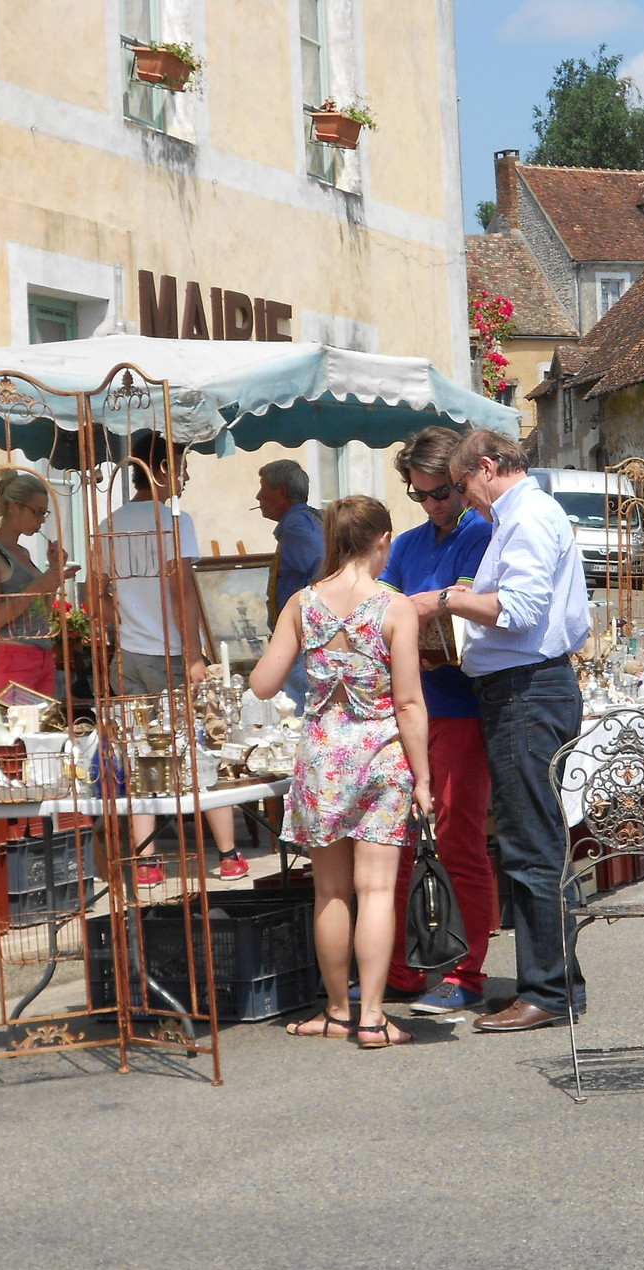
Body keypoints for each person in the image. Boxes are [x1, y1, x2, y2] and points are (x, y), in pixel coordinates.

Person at [416, 429, 589, 1034]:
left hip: (527, 691)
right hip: (523, 690)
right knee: (530, 837)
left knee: (528, 843)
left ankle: (545, 990)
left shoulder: (526, 517)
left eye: (461, 485)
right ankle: (553, 982)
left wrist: (444, 601)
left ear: (487, 468)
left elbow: (518, 611)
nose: (462, 499)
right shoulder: (521, 517)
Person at [252, 496, 432, 1049]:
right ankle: (374, 1017)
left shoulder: (303, 604)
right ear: (383, 540)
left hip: (323, 759)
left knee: (329, 891)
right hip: (381, 756)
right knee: (376, 889)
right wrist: (424, 779)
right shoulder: (394, 607)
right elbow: (407, 703)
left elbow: (262, 683)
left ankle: (335, 1011)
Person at [378, 426, 498, 1015]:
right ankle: (404, 970)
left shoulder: (484, 531)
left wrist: (424, 605)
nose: (433, 505)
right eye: (420, 494)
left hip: (461, 707)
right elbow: (384, 610)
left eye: (442, 493)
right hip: (413, 707)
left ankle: (469, 972)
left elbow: (472, 604)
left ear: (462, 481)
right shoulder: (407, 544)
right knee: (397, 842)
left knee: (456, 840)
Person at [96, 434, 245, 886]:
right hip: (172, 652)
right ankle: (228, 853)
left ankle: (146, 862)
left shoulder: (108, 524)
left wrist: (125, 624)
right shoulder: (176, 521)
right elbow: (183, 590)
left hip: (127, 655)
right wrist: (196, 652)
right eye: (180, 468)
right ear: (158, 468)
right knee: (202, 749)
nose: (183, 477)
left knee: (139, 752)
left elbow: (97, 600)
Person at [0, 472, 76, 703]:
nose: (41, 520)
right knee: (21, 734)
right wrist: (42, 582)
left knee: (46, 732)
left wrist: (53, 572)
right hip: (13, 657)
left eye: (44, 513)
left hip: (42, 655)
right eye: (37, 512)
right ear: (13, 507)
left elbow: (42, 611)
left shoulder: (24, 554)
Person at [256, 459, 324, 713]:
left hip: (300, 637)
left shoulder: (296, 523)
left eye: (263, 488)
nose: (258, 496)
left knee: (299, 710)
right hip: (302, 634)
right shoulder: (304, 520)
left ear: (281, 492)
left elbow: (319, 564)